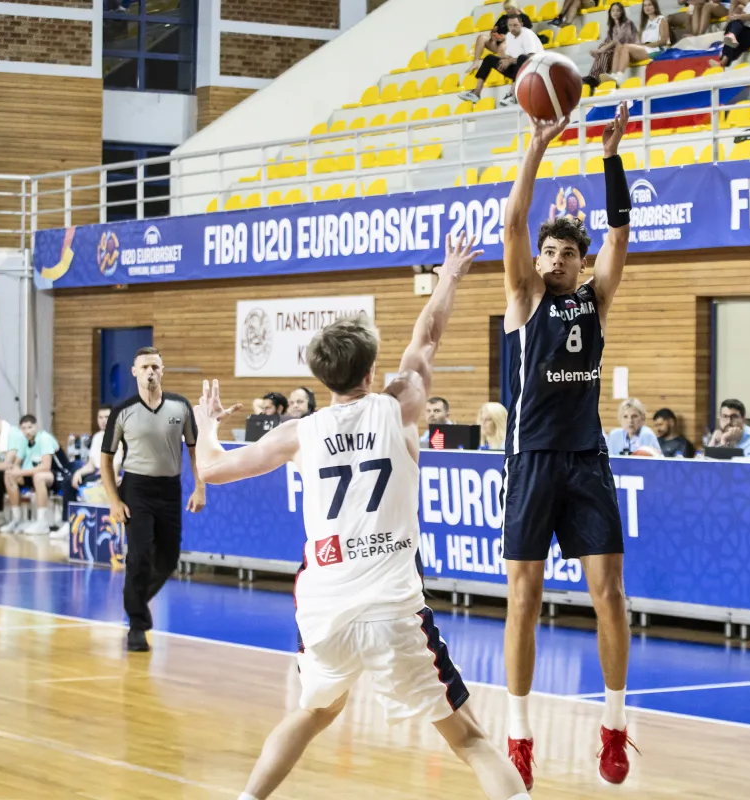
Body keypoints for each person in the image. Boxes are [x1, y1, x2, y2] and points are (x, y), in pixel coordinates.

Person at [192, 234, 529, 800]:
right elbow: (428, 337)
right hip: (391, 609)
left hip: (324, 608)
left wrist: (205, 422)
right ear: (370, 372)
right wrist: (448, 275)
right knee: (470, 740)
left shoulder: (298, 432)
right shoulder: (400, 404)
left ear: (322, 378)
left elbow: (212, 468)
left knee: (313, 713)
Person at [499, 101, 634, 788]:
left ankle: (613, 726)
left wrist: (610, 157)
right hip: (530, 461)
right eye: (547, 252)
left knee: (609, 593)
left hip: (586, 458)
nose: (553, 259)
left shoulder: (593, 302)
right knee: (524, 598)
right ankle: (519, 735)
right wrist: (537, 145)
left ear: (580, 265)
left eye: (565, 253)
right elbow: (514, 222)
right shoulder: (523, 297)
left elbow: (619, 231)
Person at [101, 346, 206, 653]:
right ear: (135, 371)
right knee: (139, 554)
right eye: (145, 367)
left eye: (155, 367)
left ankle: (133, 601)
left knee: (169, 558)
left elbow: (195, 450)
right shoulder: (123, 412)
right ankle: (137, 624)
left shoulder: (180, 407)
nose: (150, 372)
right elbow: (106, 461)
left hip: (170, 489)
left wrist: (200, 487)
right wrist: (113, 500)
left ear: (163, 370)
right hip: (136, 489)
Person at [458, 16, 543, 106]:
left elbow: (531, 58)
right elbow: (508, 56)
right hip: (519, 70)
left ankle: (512, 94)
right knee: (489, 58)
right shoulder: (510, 36)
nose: (512, 28)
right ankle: (476, 93)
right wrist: (503, 55)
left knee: (522, 58)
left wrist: (509, 61)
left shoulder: (527, 34)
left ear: (521, 24)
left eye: (515, 25)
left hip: (534, 70)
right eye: (510, 25)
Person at [6, 415, 61, 535]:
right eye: (23, 428)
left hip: (58, 475)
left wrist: (20, 472)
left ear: (37, 427)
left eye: (30, 427)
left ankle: (43, 522)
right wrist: (15, 471)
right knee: (8, 476)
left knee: (39, 476)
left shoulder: (44, 438)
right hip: (34, 475)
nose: (27, 431)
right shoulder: (24, 441)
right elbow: (17, 463)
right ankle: (17, 519)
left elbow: (46, 466)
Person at [589, 3, 640, 86]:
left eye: (618, 10)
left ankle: (596, 79)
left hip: (629, 50)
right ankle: (593, 77)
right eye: (613, 10)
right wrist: (600, 48)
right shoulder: (612, 27)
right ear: (610, 13)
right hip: (618, 51)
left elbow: (618, 40)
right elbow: (607, 41)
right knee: (602, 53)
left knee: (604, 54)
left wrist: (601, 49)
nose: (615, 13)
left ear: (622, 12)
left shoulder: (627, 23)